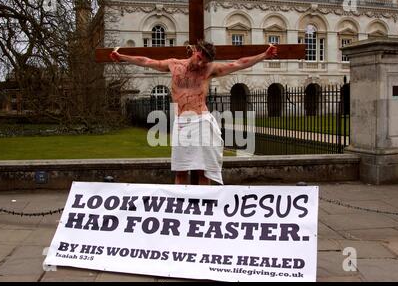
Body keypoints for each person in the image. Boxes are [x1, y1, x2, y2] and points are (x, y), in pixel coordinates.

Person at [110, 41, 278, 185]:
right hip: (181, 122)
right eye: (199, 58)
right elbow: (146, 61)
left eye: (203, 62)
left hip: (201, 120)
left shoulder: (208, 69)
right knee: (180, 170)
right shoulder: (174, 64)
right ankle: (181, 208)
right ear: (195, 51)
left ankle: (204, 207)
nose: (199, 64)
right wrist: (122, 57)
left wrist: (264, 55)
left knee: (202, 171)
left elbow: (239, 63)